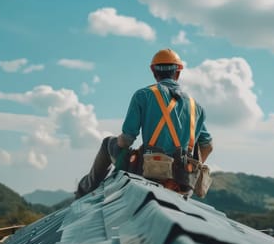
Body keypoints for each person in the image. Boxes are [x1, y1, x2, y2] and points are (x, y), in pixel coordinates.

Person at [76, 48, 213, 198]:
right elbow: (207, 146)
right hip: (182, 180)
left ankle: (85, 191)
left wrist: (122, 147)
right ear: (178, 73)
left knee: (108, 142)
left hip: (150, 171)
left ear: (154, 72)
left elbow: (126, 140)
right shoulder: (196, 107)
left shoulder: (143, 95)